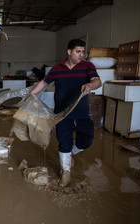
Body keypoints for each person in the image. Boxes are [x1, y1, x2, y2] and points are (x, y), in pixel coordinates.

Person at [25, 39, 102, 187]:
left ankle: (72, 152)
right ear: (69, 52)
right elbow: (43, 83)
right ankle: (65, 173)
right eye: (77, 51)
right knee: (64, 142)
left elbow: (97, 81)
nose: (81, 55)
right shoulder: (57, 69)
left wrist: (89, 85)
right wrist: (29, 96)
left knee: (86, 141)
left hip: (81, 114)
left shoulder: (87, 66)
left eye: (82, 52)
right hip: (62, 114)